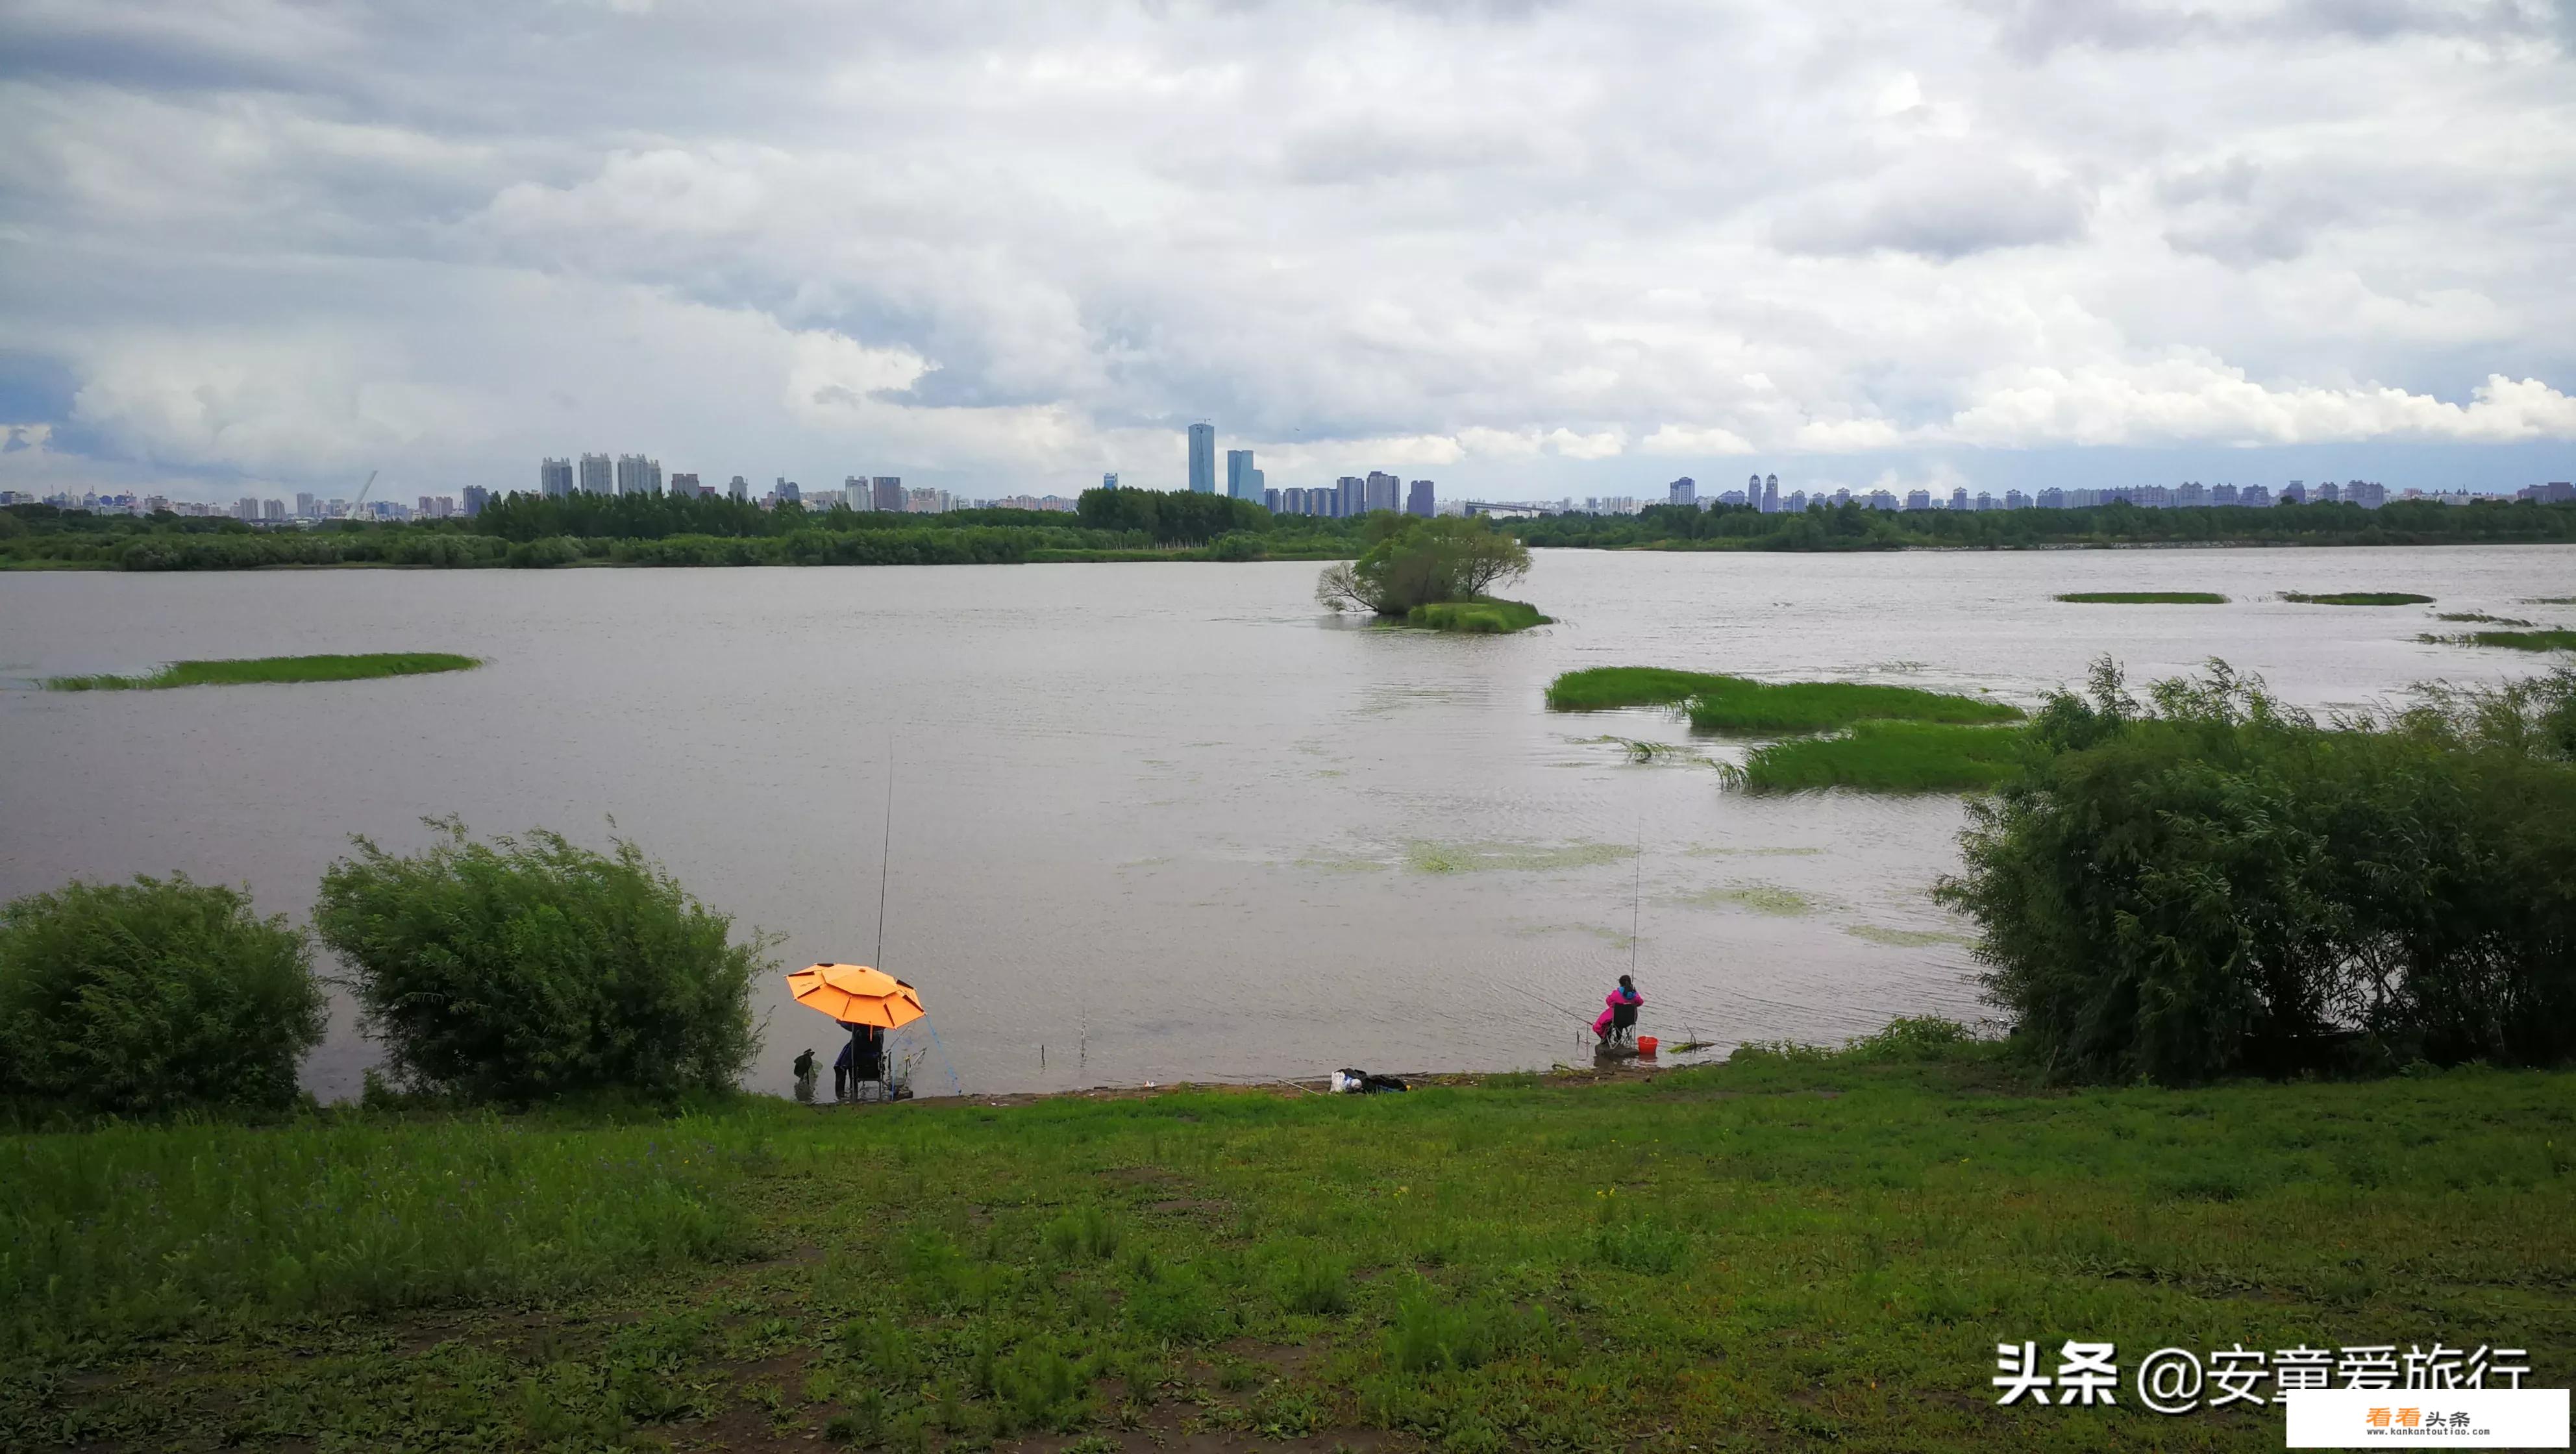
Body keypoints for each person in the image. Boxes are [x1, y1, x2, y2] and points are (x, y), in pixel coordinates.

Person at [1592, 974, 1644, 1044]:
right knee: (1619, 1020)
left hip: (1617, 1020)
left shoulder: (1616, 993)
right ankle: (1618, 1039)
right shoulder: (1635, 995)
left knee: (1606, 1022)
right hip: (1631, 1020)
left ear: (1620, 984)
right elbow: (1640, 1002)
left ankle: (1606, 1040)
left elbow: (1608, 1001)